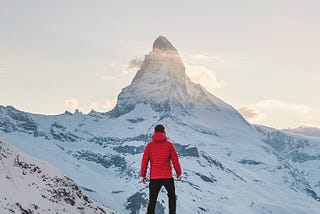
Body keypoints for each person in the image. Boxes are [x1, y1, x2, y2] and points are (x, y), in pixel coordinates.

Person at [140, 124, 182, 214]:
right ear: (164, 132)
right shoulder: (169, 145)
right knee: (172, 197)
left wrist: (143, 175)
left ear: (154, 132)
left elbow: (144, 161)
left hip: (154, 178)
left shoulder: (149, 146)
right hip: (167, 177)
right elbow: (175, 161)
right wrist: (179, 173)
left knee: (152, 200)